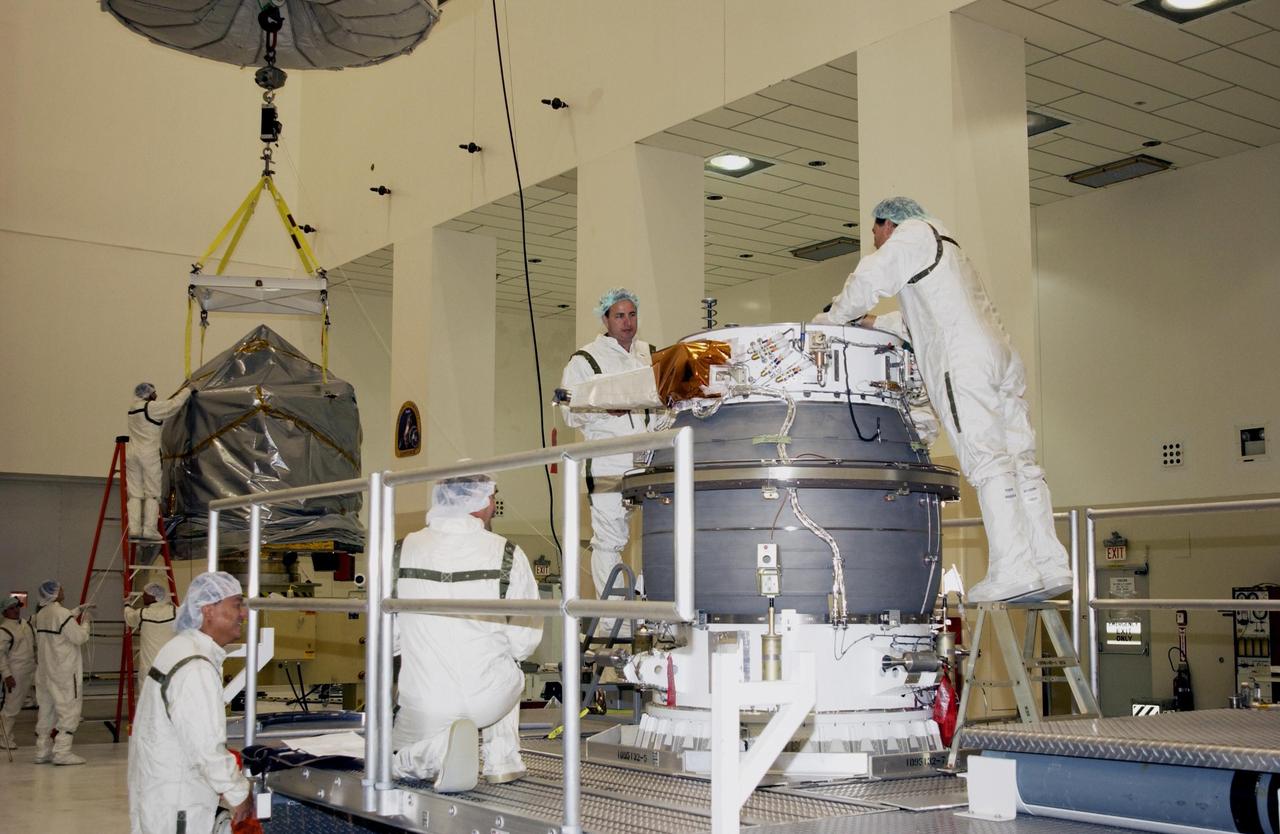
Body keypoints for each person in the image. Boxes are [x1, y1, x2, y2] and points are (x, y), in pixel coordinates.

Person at [815, 196, 1071, 603]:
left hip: (964, 363)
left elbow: (869, 279)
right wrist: (873, 323)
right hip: (999, 357)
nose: (876, 243)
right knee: (1021, 461)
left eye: (875, 234)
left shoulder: (912, 234)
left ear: (888, 224)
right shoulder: (947, 246)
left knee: (987, 461)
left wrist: (831, 321)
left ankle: (1014, 568)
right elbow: (926, 319)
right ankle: (1049, 561)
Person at [392, 474, 543, 791]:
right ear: (485, 501)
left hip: (423, 703)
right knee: (511, 665)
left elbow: (389, 640)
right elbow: (525, 643)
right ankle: (501, 762)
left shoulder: (400, 551)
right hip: (488, 700)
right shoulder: (508, 553)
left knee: (396, 758)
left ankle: (432, 752)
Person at [128, 571, 252, 834]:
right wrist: (238, 792)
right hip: (179, 804)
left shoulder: (181, 648)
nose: (243, 613)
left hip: (162, 794)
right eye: (236, 604)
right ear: (208, 609)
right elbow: (206, 746)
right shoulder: (195, 666)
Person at [558, 288, 652, 603]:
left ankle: (648, 600)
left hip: (651, 458)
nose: (627, 322)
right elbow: (569, 411)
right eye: (619, 316)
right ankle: (612, 615)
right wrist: (602, 407)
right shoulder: (586, 359)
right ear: (606, 320)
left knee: (661, 531)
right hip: (610, 459)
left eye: (632, 314)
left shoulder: (649, 354)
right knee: (610, 540)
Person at [33, 580, 91, 765]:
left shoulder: (41, 613)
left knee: (46, 709)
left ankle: (42, 750)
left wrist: (77, 610)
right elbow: (79, 637)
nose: (63, 590)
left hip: (45, 671)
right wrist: (86, 622)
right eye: (60, 589)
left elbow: (57, 622)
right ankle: (62, 752)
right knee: (68, 709)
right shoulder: (62, 613)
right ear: (55, 594)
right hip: (64, 672)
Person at [127, 381, 193, 541]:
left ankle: (134, 528)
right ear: (149, 394)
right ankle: (149, 529)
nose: (157, 396)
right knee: (152, 493)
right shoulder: (151, 407)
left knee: (135, 494)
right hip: (148, 454)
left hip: (132, 453)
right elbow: (173, 405)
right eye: (154, 393)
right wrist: (188, 390)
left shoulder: (132, 407)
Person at [1, 595, 36, 750]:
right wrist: (7, 675)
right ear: (4, 612)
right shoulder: (4, 630)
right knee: (11, 707)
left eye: (17, 607)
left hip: (31, 669)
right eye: (12, 608)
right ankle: (4, 739)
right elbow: (0, 655)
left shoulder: (25, 624)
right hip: (16, 672)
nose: (16, 610)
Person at [123, 582, 176, 685]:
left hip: (149, 668)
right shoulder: (175, 612)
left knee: (148, 698)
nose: (143, 596)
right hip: (170, 666)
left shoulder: (142, 614)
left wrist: (127, 604)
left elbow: (129, 617)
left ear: (153, 597)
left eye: (145, 594)